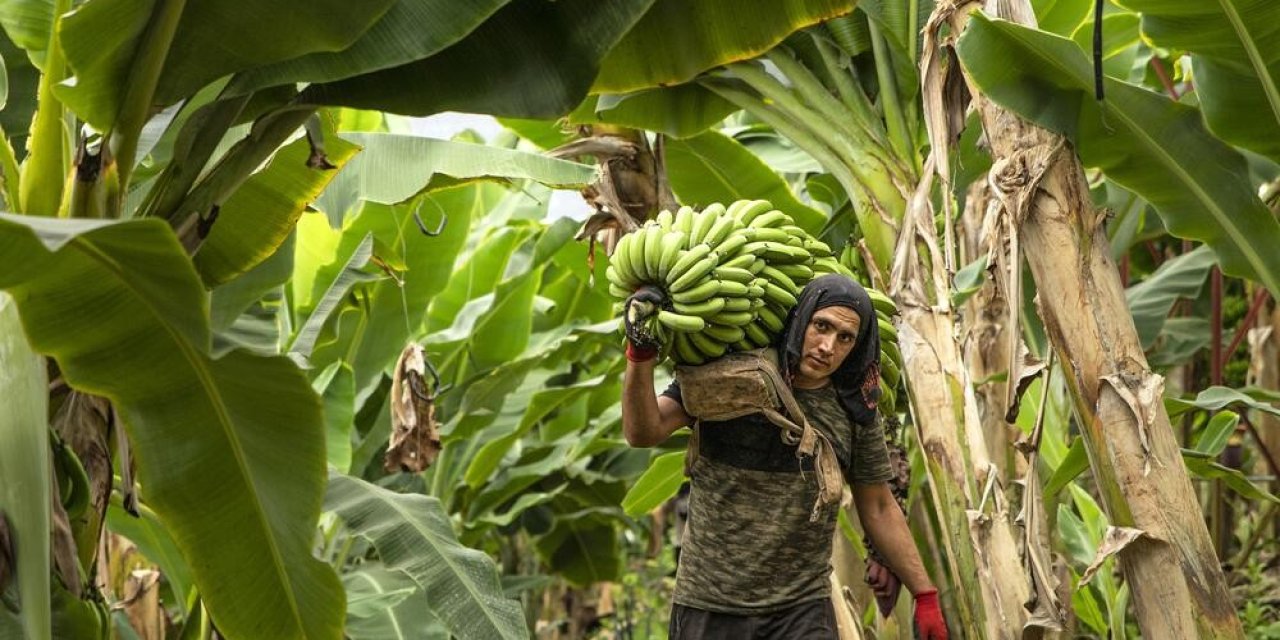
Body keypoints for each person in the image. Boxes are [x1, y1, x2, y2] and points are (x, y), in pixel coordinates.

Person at [621, 274, 948, 639]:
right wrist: (640, 355)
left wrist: (925, 594)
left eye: (845, 338)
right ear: (800, 319)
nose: (828, 347)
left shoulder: (854, 408)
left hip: (802, 609)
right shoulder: (732, 377)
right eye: (821, 327)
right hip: (710, 603)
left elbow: (879, 506)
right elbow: (642, 432)